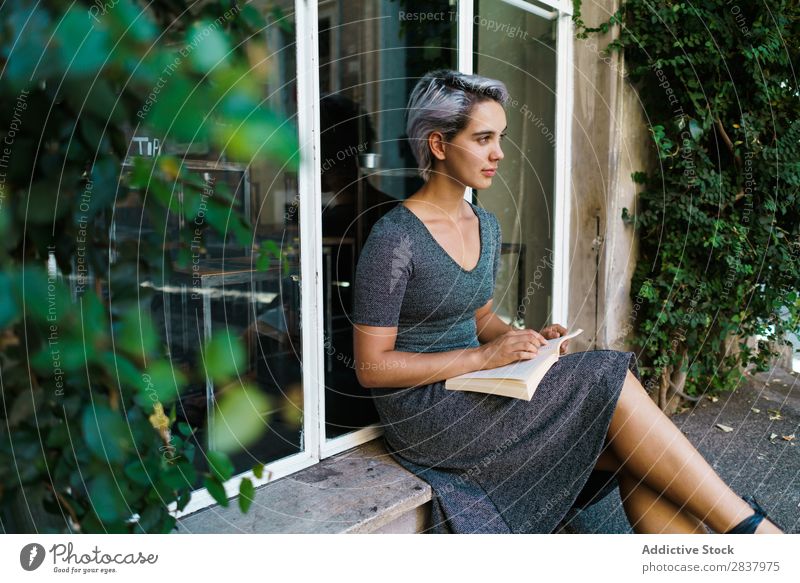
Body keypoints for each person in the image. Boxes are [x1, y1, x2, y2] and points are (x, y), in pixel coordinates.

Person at [351, 69, 784, 534]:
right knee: (604, 375)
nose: (498, 152)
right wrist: (482, 356)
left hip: (477, 387)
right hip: (428, 415)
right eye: (483, 138)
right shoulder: (395, 238)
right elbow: (371, 367)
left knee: (629, 449)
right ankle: (753, 531)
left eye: (500, 137)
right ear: (438, 145)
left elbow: (479, 316)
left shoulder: (485, 224)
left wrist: (526, 342)